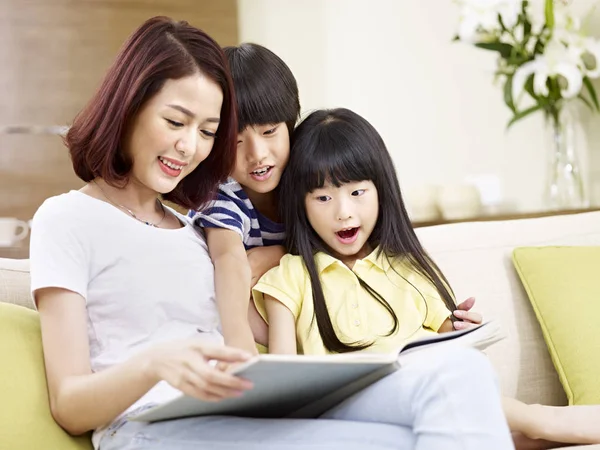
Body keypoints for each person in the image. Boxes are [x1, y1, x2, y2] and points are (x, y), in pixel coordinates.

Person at [29, 16, 511, 450]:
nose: (188, 145)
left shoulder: (196, 228)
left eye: (207, 131)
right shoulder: (68, 218)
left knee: (458, 376)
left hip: (244, 410)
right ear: (129, 107)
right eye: (176, 121)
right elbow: (68, 404)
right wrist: (155, 364)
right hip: (148, 426)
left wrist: (431, 328)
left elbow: (286, 307)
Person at [252, 108, 600, 450]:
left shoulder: (405, 267)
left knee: (463, 384)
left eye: (357, 192)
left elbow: (445, 341)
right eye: (323, 198)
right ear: (302, 203)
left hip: (422, 404)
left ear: (381, 190)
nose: (343, 212)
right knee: (465, 394)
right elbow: (285, 381)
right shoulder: (289, 278)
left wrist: (462, 328)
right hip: (348, 411)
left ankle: (530, 432)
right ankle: (540, 421)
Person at [188, 43, 300, 353]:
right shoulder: (221, 194)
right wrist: (238, 342)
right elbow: (230, 259)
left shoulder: (309, 179)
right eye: (235, 142)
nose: (257, 155)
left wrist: (275, 254)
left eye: (269, 131)